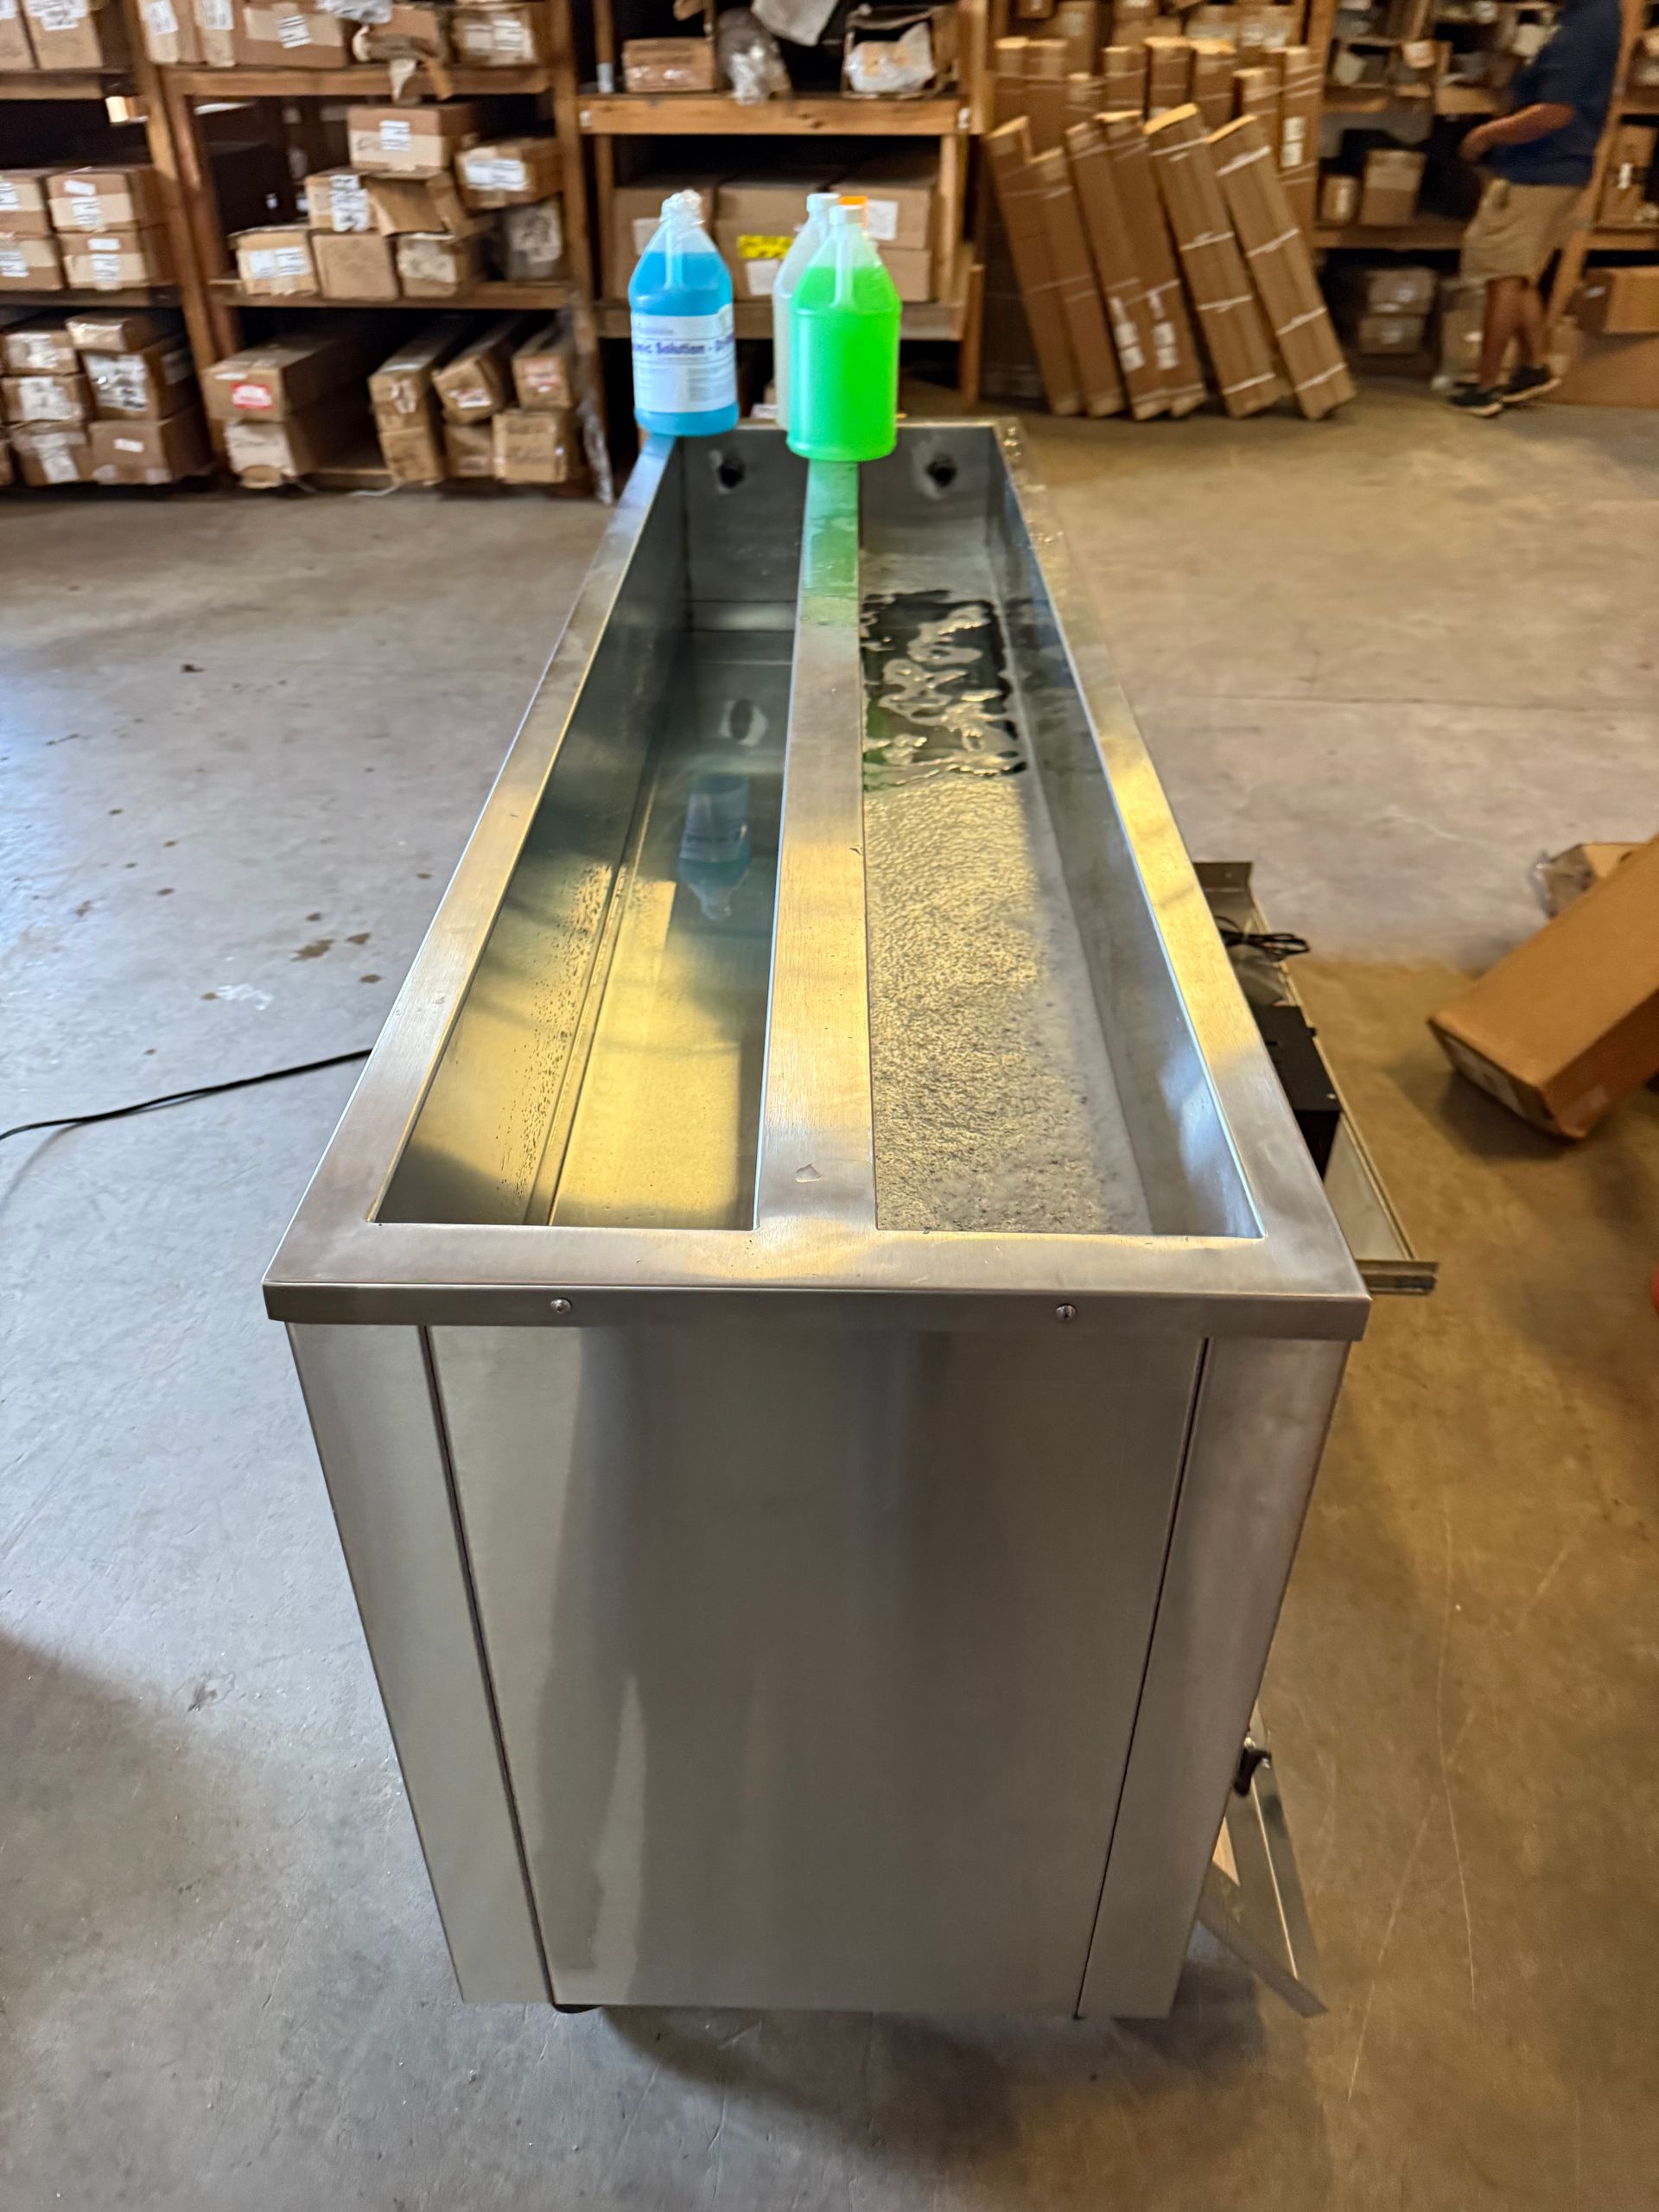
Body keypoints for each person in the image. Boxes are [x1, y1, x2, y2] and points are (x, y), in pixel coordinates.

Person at [1449, 0, 1623, 416]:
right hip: (1557, 168)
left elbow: (1553, 113)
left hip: (1540, 170)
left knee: (1501, 274)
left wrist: (1486, 135)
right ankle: (1534, 368)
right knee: (1520, 272)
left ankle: (1487, 387)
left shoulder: (1586, 23)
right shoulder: (1587, 16)